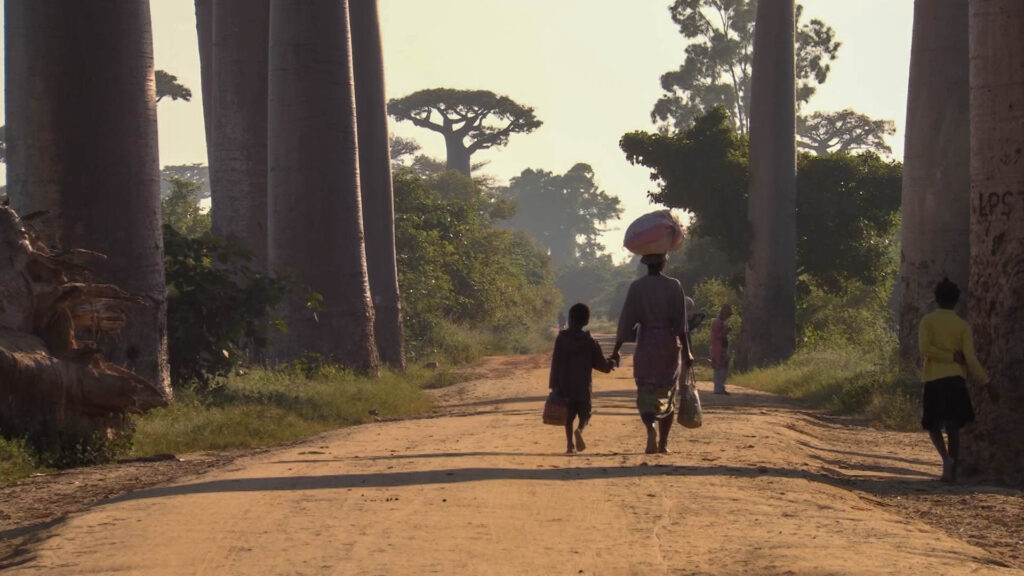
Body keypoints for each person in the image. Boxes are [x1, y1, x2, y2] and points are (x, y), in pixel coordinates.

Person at [918, 278, 999, 482]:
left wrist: (946, 356)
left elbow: (925, 349)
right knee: (954, 427)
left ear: (936, 299)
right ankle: (952, 472)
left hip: (934, 379)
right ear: (956, 301)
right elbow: (970, 358)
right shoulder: (962, 326)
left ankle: (945, 459)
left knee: (933, 426)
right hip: (956, 380)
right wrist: (987, 383)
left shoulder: (928, 321)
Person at [611, 254, 693, 454]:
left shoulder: (637, 287)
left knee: (646, 390)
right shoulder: (674, 285)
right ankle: (663, 444)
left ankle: (650, 428)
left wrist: (616, 350)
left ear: (645, 264)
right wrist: (688, 352)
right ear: (664, 262)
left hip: (646, 344)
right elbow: (681, 324)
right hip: (668, 345)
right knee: (668, 392)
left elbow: (626, 320)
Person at [549, 303, 615, 454]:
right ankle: (580, 430)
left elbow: (555, 362)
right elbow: (602, 365)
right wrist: (612, 362)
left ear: (570, 319)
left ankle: (569, 445)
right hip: (583, 387)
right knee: (585, 414)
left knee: (568, 416)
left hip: (565, 386)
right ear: (587, 321)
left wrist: (553, 384)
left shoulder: (561, 339)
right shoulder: (589, 341)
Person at [710, 304, 733, 395]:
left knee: (724, 367)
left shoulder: (723, 322)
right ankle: (718, 388)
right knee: (719, 367)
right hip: (718, 347)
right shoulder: (717, 323)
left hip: (723, 347)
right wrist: (725, 331)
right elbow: (716, 337)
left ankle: (721, 387)